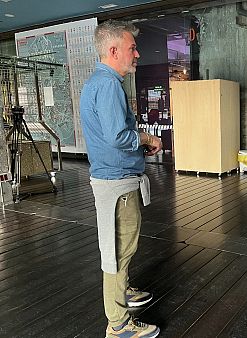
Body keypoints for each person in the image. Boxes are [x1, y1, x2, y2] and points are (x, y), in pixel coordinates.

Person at [80, 20, 162, 338]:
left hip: (115, 181)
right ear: (114, 50)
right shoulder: (109, 84)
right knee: (116, 251)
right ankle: (118, 324)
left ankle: (124, 292)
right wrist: (144, 138)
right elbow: (117, 136)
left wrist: (140, 147)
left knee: (121, 247)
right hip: (116, 185)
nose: (137, 53)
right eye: (132, 48)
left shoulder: (99, 83)